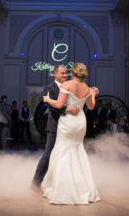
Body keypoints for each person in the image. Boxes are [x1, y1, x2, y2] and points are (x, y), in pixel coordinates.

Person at [40, 62, 100, 204]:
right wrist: (93, 94)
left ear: (73, 73)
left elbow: (59, 105)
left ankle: (64, 190)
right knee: (78, 151)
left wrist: (48, 100)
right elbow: (91, 107)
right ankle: (82, 188)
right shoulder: (86, 87)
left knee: (63, 151)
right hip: (80, 122)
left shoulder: (67, 85)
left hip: (68, 122)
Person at [31, 65, 80, 194]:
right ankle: (36, 183)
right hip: (54, 127)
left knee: (67, 155)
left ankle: (64, 185)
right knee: (48, 154)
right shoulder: (49, 88)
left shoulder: (68, 87)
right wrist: (67, 110)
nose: (65, 75)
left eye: (66, 73)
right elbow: (52, 107)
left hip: (67, 126)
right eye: (63, 73)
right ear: (55, 74)